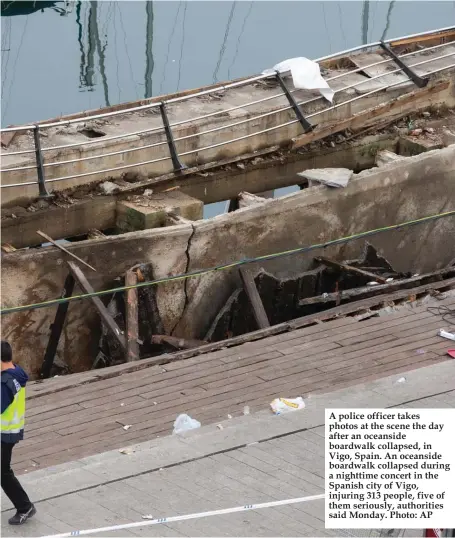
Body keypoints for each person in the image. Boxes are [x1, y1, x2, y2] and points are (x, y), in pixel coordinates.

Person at [1, 340, 36, 525]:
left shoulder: (5, 384)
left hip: (4, 434)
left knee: (3, 473)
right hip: (11, 431)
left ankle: (24, 507)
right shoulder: (17, 372)